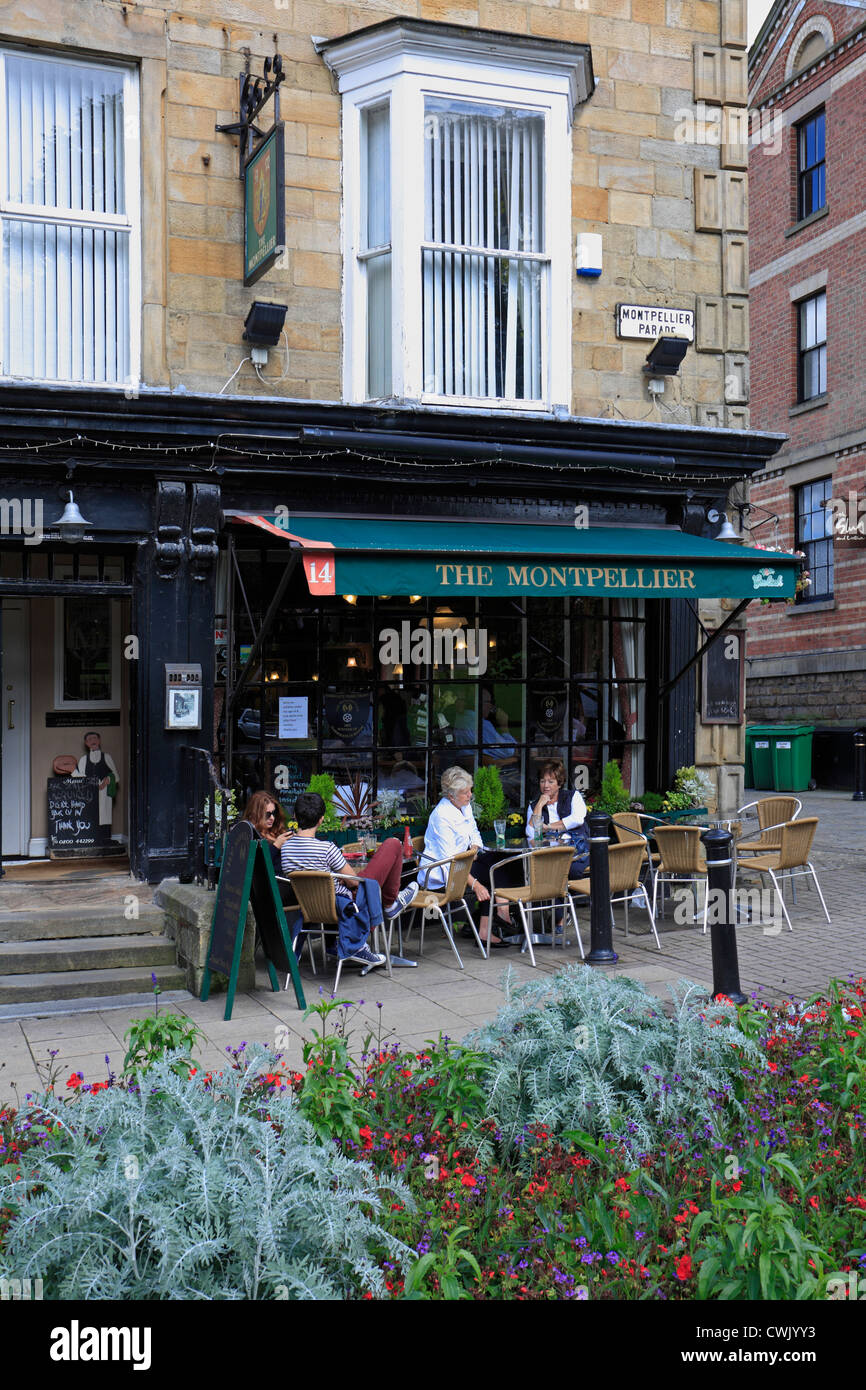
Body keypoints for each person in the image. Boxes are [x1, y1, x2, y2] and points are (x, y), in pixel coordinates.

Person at [280, 792, 419, 921]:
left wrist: (335, 876)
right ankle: (390, 905)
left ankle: (390, 904)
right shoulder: (327, 849)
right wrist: (341, 878)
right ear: (321, 820)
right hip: (346, 905)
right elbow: (354, 882)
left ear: (295, 817)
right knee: (393, 844)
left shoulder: (285, 849)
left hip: (310, 908)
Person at [419, 765, 514, 949]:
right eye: (465, 792)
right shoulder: (441, 816)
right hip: (443, 870)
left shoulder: (465, 806)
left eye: (470, 790)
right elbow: (451, 861)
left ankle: (500, 914)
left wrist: (475, 848)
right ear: (451, 795)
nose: (470, 795)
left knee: (498, 862)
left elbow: (474, 832)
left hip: (467, 861)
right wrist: (475, 885)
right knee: (488, 874)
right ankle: (496, 921)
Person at [526, 758, 589, 868]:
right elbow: (531, 834)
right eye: (542, 781)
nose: (545, 786)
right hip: (549, 855)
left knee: (571, 870)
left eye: (551, 782)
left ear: (559, 784)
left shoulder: (573, 796)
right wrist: (540, 805)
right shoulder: (534, 806)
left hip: (577, 852)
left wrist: (548, 827)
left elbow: (577, 819)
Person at [72, 731, 119, 844]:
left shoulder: (107, 757)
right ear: (86, 743)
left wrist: (108, 780)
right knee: (91, 815)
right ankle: (91, 839)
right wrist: (72, 771)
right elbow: (81, 777)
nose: (92, 741)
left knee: (104, 815)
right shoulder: (83, 760)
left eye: (94, 738)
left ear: (99, 741)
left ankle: (105, 840)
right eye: (89, 739)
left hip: (104, 792)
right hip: (90, 793)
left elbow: (116, 776)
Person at [242, 790, 290, 873]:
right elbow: (254, 866)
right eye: (267, 814)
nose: (272, 818)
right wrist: (276, 846)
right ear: (255, 814)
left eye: (274, 813)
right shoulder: (248, 834)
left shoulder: (277, 831)